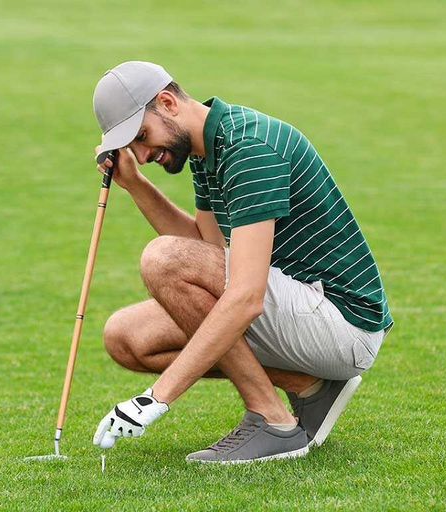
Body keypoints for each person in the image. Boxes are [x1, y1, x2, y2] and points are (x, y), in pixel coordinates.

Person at [90, 61, 393, 463]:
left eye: (142, 137)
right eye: (132, 147)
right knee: (127, 337)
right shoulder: (207, 149)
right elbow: (205, 246)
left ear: (167, 102)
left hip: (343, 325)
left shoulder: (249, 148)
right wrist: (135, 185)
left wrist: (156, 399)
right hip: (302, 310)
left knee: (161, 257)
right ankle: (308, 386)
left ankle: (274, 421)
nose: (143, 156)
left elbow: (245, 295)